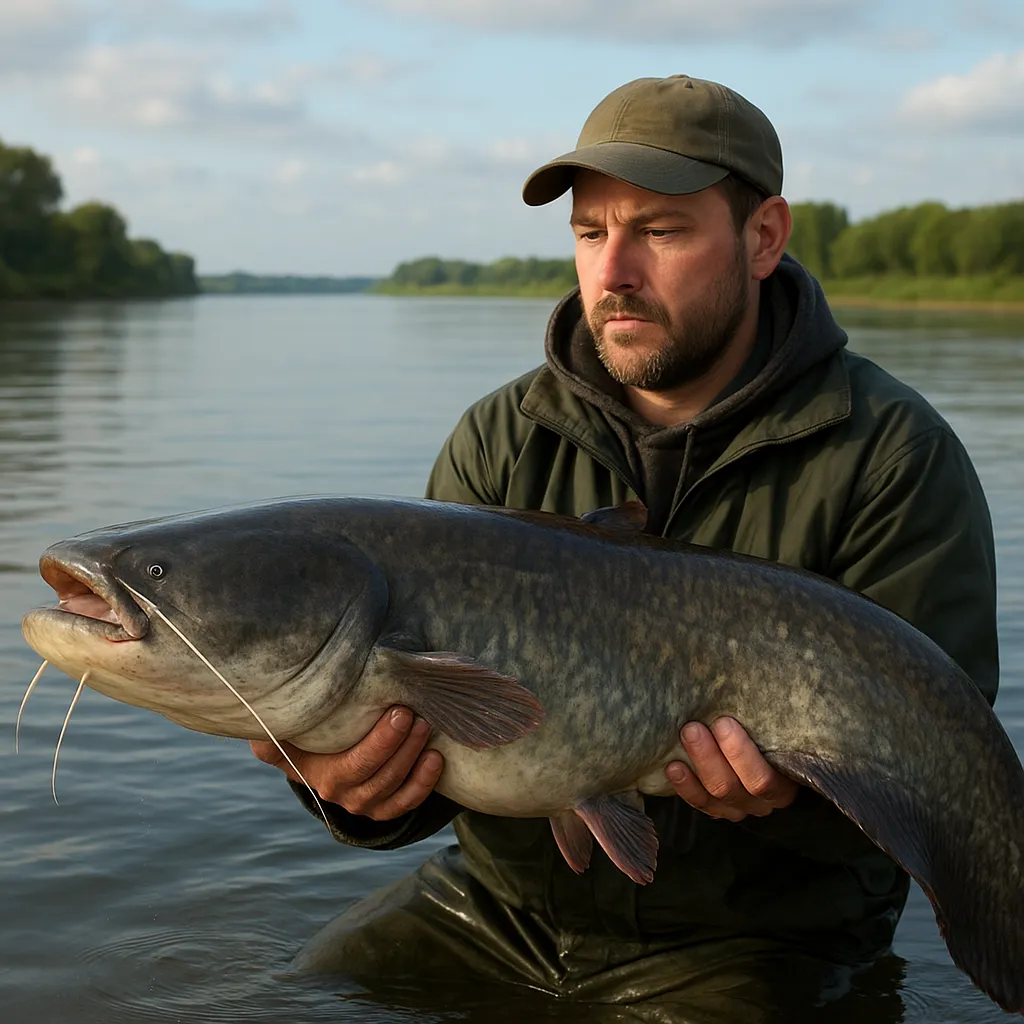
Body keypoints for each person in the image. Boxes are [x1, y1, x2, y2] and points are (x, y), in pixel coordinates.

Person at [252, 75, 998, 1020]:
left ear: (764, 237)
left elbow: (946, 756)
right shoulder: (498, 439)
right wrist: (355, 791)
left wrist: (789, 801)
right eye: (591, 232)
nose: (613, 272)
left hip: (752, 939)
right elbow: (446, 760)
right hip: (500, 911)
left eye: (661, 229)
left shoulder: (890, 451)